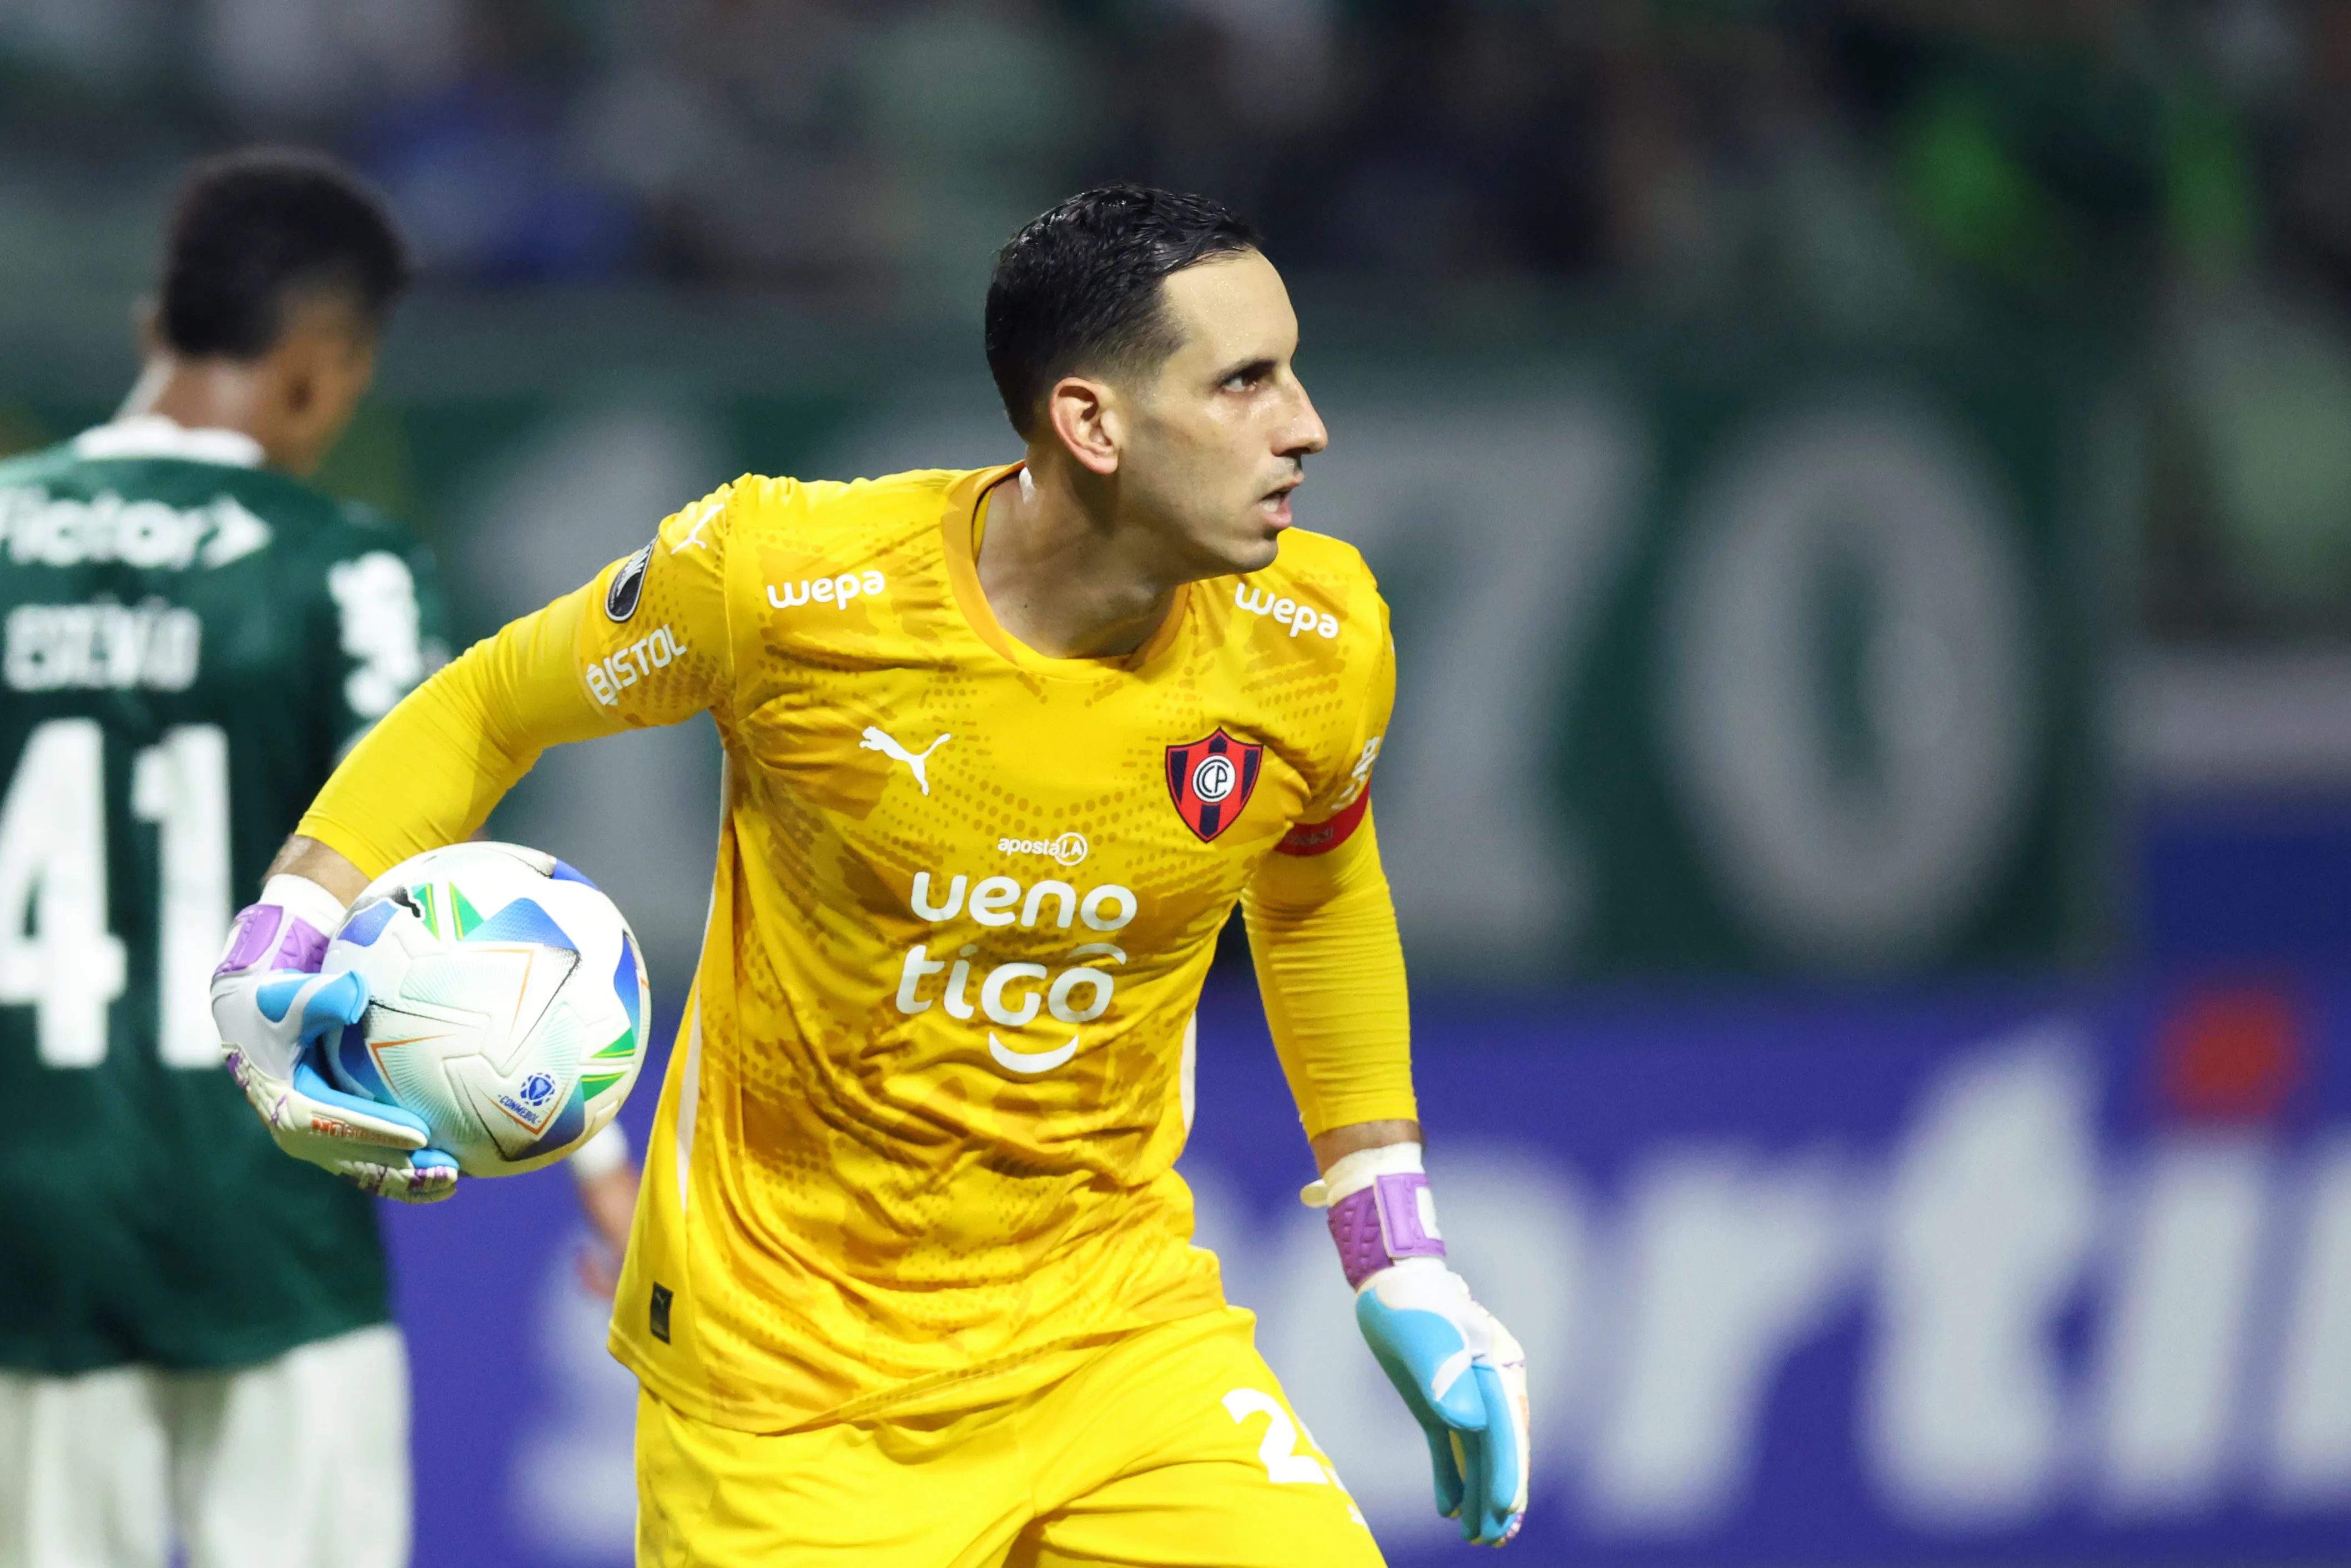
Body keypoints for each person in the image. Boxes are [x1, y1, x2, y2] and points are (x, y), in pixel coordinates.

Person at [214, 184, 1529, 1565]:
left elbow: (1316, 894)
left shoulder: (1314, 635)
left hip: (1117, 1344)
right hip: (788, 1402)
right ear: (1091, 423)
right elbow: (492, 705)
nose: (1306, 423)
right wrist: (283, 931)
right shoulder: (785, 584)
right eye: (1247, 380)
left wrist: (1398, 1247)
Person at [0, 147, 634, 1568]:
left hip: (21, 1198)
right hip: (272, 1183)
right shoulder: (338, 565)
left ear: (151, 322)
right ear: (318, 366)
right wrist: (596, 1164)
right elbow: (442, 892)